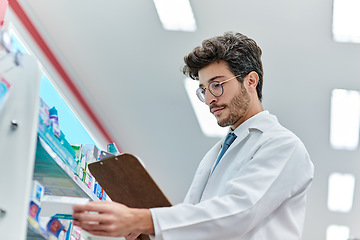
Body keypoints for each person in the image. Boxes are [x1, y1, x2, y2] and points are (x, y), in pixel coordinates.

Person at [73, 32, 314, 240]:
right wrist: (146, 232)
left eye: (217, 85)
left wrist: (143, 219)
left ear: (250, 81)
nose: (209, 99)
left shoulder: (282, 145)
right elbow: (198, 227)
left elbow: (239, 212)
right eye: (203, 89)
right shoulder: (218, 152)